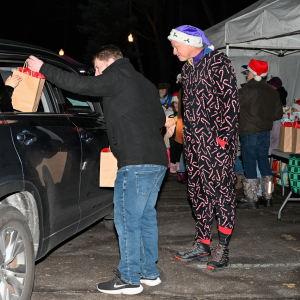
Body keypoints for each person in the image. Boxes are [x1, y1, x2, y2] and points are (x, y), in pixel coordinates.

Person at [28, 45, 168, 295]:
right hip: (156, 161)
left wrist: (43, 68)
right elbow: (159, 119)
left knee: (126, 220)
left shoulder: (116, 75)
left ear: (109, 62)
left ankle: (129, 279)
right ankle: (149, 273)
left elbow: (81, 86)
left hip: (135, 162)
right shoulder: (144, 83)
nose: (96, 75)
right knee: (146, 218)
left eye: (97, 69)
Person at [168, 25, 239, 270]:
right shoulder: (187, 70)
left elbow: (230, 103)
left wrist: (222, 140)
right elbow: (187, 110)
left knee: (221, 194)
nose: (175, 52)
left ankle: (223, 247)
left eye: (177, 47)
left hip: (216, 144)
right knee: (197, 194)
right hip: (194, 144)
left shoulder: (219, 61)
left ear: (191, 43)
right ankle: (203, 243)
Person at [237, 59, 283, 209]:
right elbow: (277, 114)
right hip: (265, 133)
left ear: (252, 73)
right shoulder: (272, 91)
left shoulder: (245, 91)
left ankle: (251, 199)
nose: (247, 74)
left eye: (248, 71)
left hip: (249, 132)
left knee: (250, 163)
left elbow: (232, 109)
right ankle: (267, 197)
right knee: (264, 162)